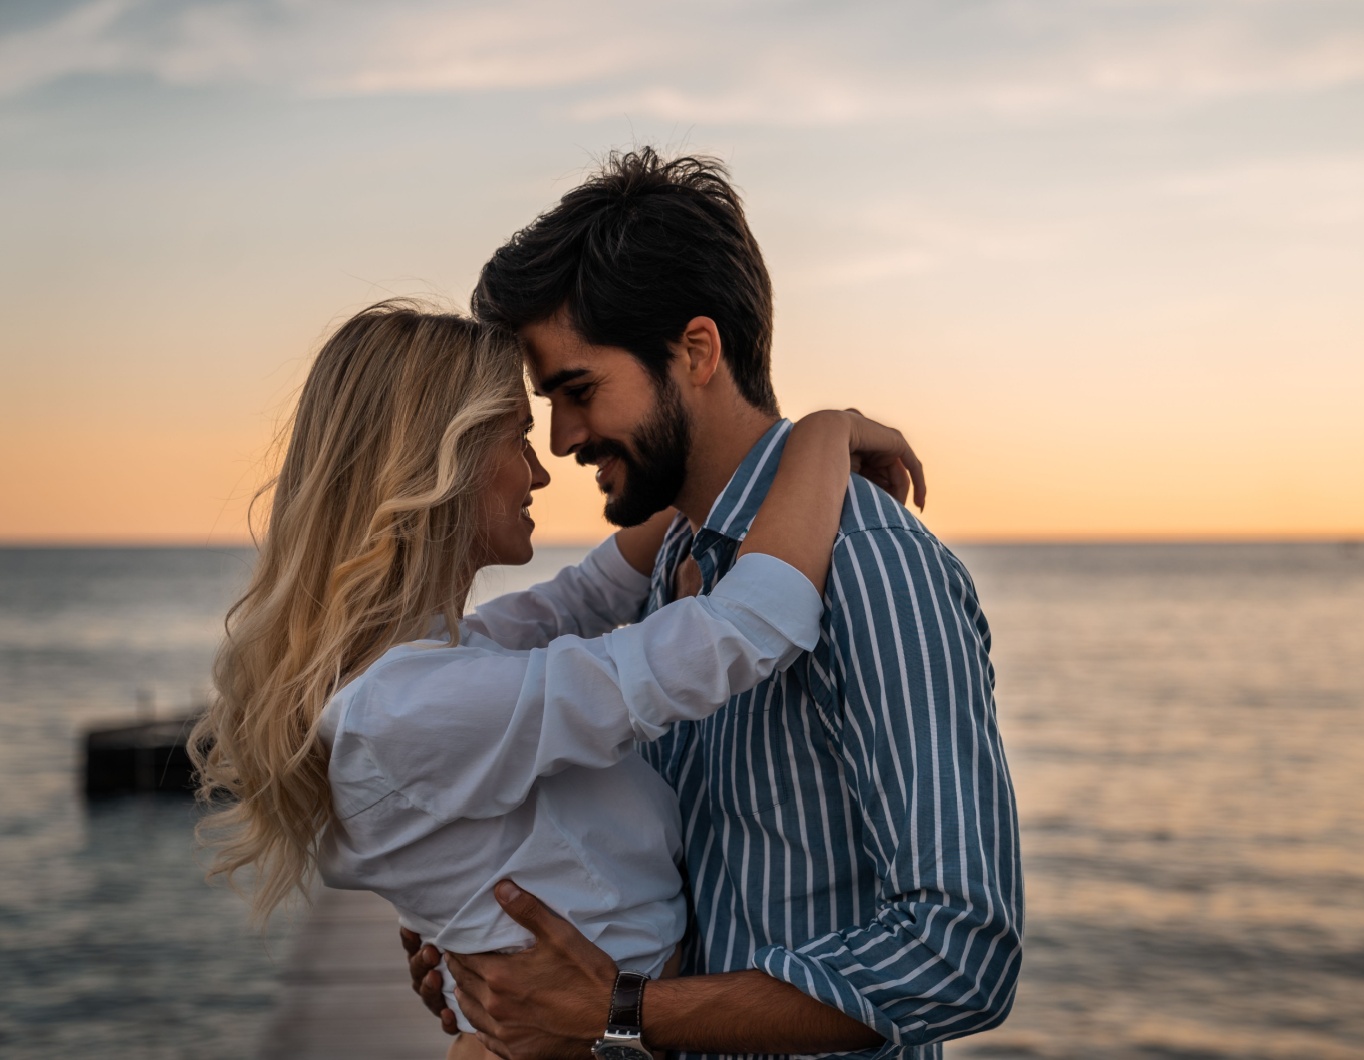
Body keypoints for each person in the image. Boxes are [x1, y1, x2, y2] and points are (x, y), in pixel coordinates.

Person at [405, 150, 1023, 1060]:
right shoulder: (678, 560)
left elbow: (961, 951)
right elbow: (693, 882)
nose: (564, 438)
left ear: (696, 351)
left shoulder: (873, 566)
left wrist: (618, 1011)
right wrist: (504, 967)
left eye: (579, 391)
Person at [187, 301, 924, 1058]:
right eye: (519, 436)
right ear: (440, 461)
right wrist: (822, 437)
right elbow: (745, 629)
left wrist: (725, 463)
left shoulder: (419, 673)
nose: (543, 469)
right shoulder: (413, 707)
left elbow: (585, 595)